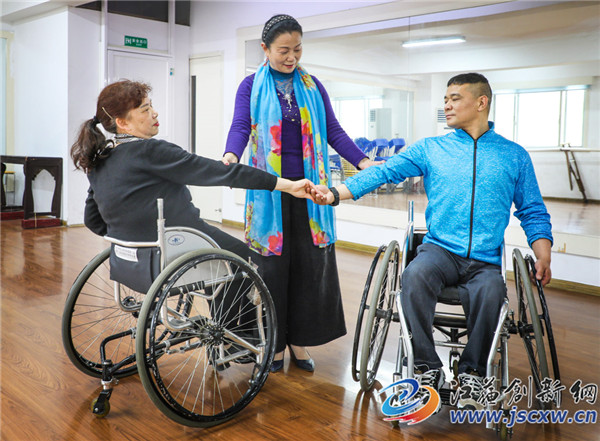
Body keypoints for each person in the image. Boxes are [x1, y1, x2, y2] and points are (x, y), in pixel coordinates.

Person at [314, 73, 553, 409]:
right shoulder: (432, 148)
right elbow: (384, 171)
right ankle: (427, 367)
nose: (447, 106)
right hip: (440, 251)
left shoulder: (513, 156)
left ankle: (472, 372)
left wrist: (544, 255)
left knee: (493, 292)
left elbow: (533, 210)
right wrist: (336, 193)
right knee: (414, 276)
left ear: (481, 102)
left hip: (485, 260)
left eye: (455, 99)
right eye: (445, 100)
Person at [222, 14, 380, 373]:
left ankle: (299, 341)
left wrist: (363, 161)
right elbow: (241, 126)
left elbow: (333, 131)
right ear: (265, 49)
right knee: (272, 272)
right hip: (271, 191)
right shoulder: (251, 86)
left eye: (297, 49)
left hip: (312, 193)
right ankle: (275, 344)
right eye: (283, 50)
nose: (291, 57)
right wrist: (231, 155)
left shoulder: (312, 85)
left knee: (310, 270)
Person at [71, 79, 318, 267]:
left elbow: (92, 221)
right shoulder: (151, 151)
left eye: (151, 106)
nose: (154, 113)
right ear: (122, 122)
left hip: (131, 258)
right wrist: (286, 185)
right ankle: (237, 322)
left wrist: (131, 237)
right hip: (178, 242)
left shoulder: (100, 157)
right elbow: (223, 173)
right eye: (145, 110)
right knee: (248, 260)